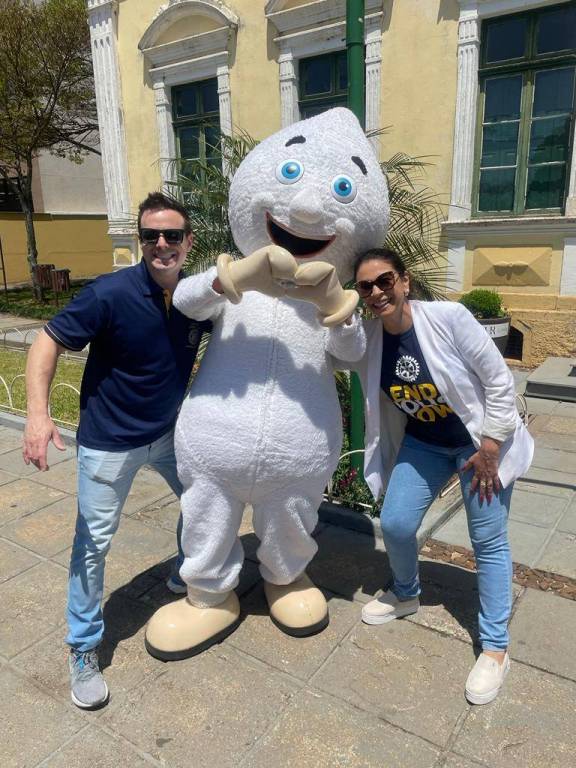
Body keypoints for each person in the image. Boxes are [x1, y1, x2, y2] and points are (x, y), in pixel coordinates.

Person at [23, 192, 210, 710]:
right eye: (151, 235)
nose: (162, 244)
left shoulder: (195, 297)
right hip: (109, 442)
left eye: (172, 235)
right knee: (93, 545)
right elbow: (46, 341)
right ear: (140, 241)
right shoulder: (110, 293)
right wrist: (37, 415)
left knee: (204, 502)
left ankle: (184, 571)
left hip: (170, 435)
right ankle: (83, 647)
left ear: (188, 241)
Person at [352, 247, 533, 705]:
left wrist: (491, 446)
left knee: (487, 540)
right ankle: (406, 593)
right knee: (395, 523)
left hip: (479, 444)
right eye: (365, 287)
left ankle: (495, 648)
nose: (377, 292)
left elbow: (498, 380)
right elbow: (334, 348)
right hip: (425, 442)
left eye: (385, 280)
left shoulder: (448, 318)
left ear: (405, 281)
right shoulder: (369, 338)